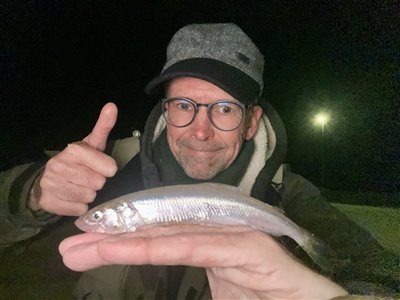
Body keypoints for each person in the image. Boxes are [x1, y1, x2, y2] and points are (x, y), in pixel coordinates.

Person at [1, 23, 398, 299]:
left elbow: (379, 272)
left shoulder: (292, 196)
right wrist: (31, 193)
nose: (201, 130)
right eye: (184, 105)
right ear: (166, 110)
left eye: (224, 109)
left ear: (250, 121)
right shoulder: (106, 169)